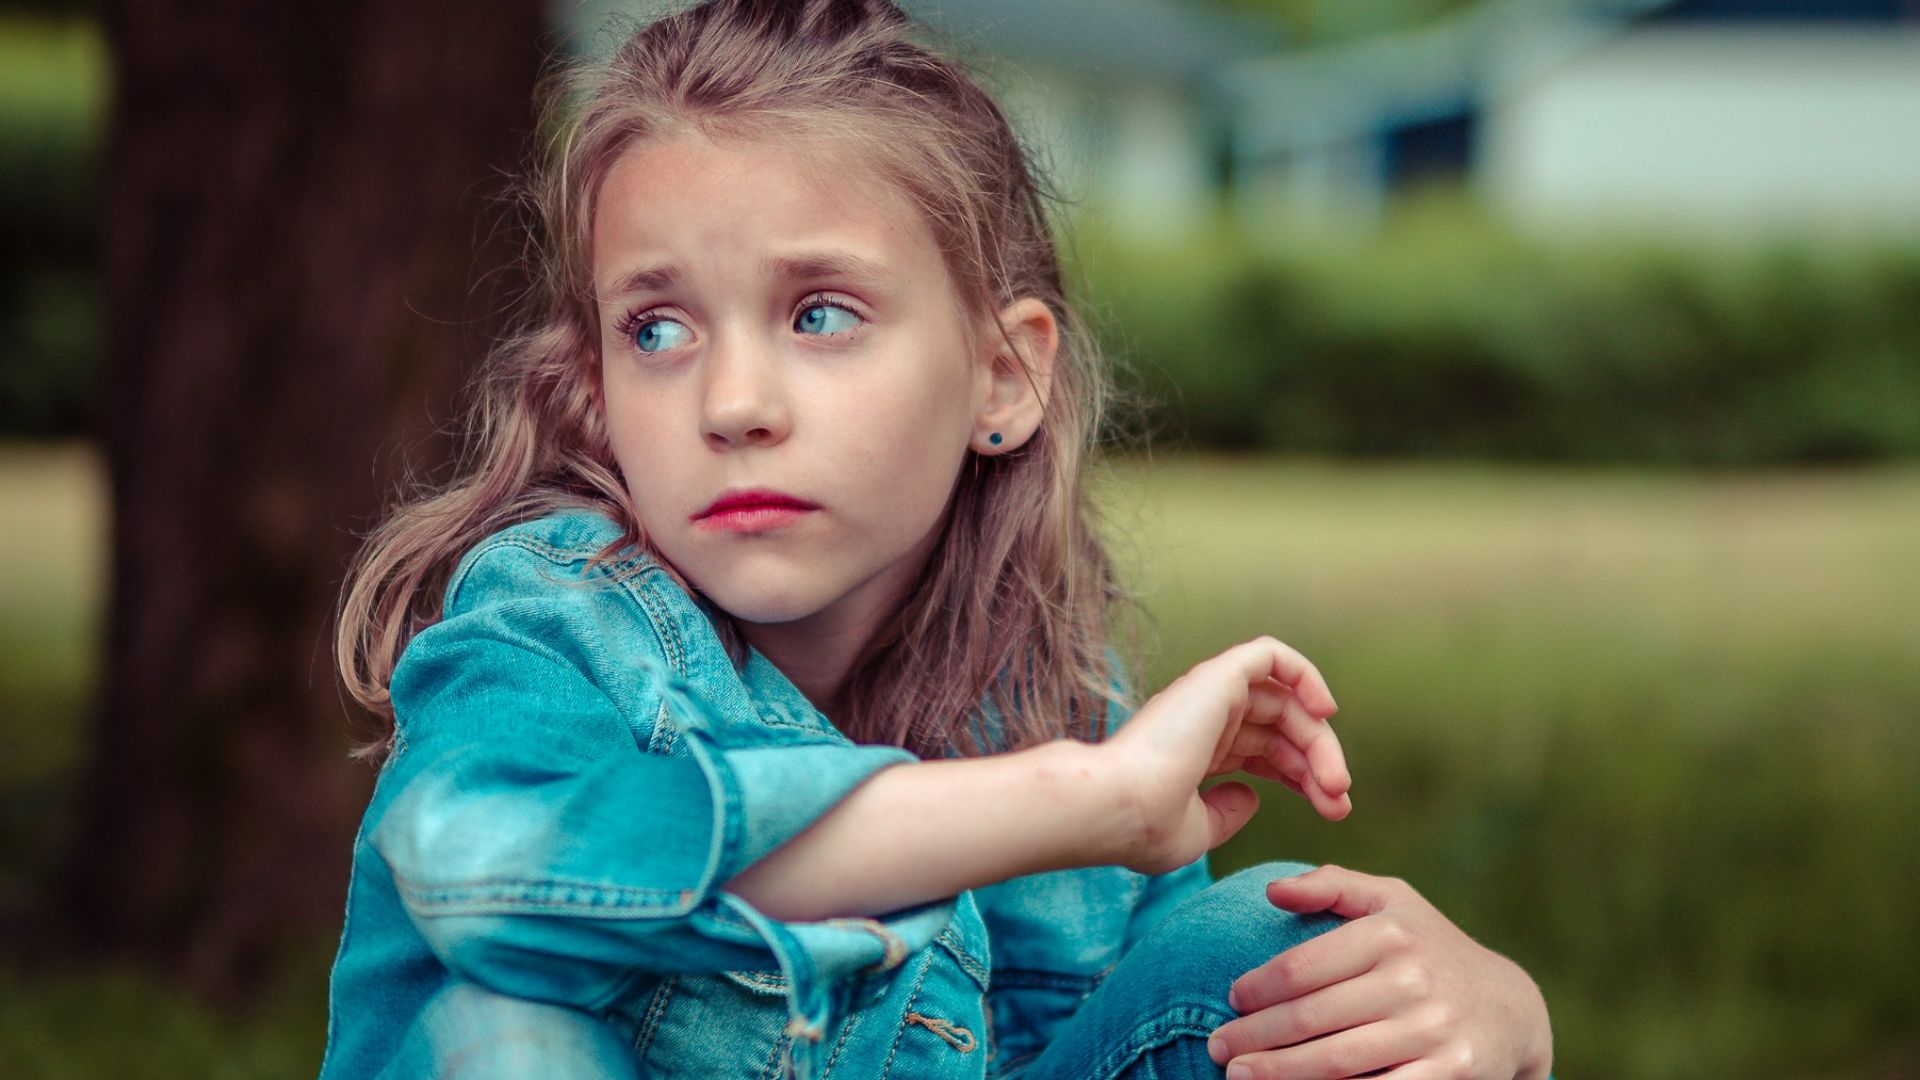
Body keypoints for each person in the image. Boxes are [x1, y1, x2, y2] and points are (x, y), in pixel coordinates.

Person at [321, 1, 1553, 1077]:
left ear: (1002, 376)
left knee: (1302, 971)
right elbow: (478, 869)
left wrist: (1511, 1013)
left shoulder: (1058, 708)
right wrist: (1078, 803)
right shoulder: (551, 625)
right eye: (657, 330)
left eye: (820, 314)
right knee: (499, 1034)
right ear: (595, 392)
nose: (732, 403)